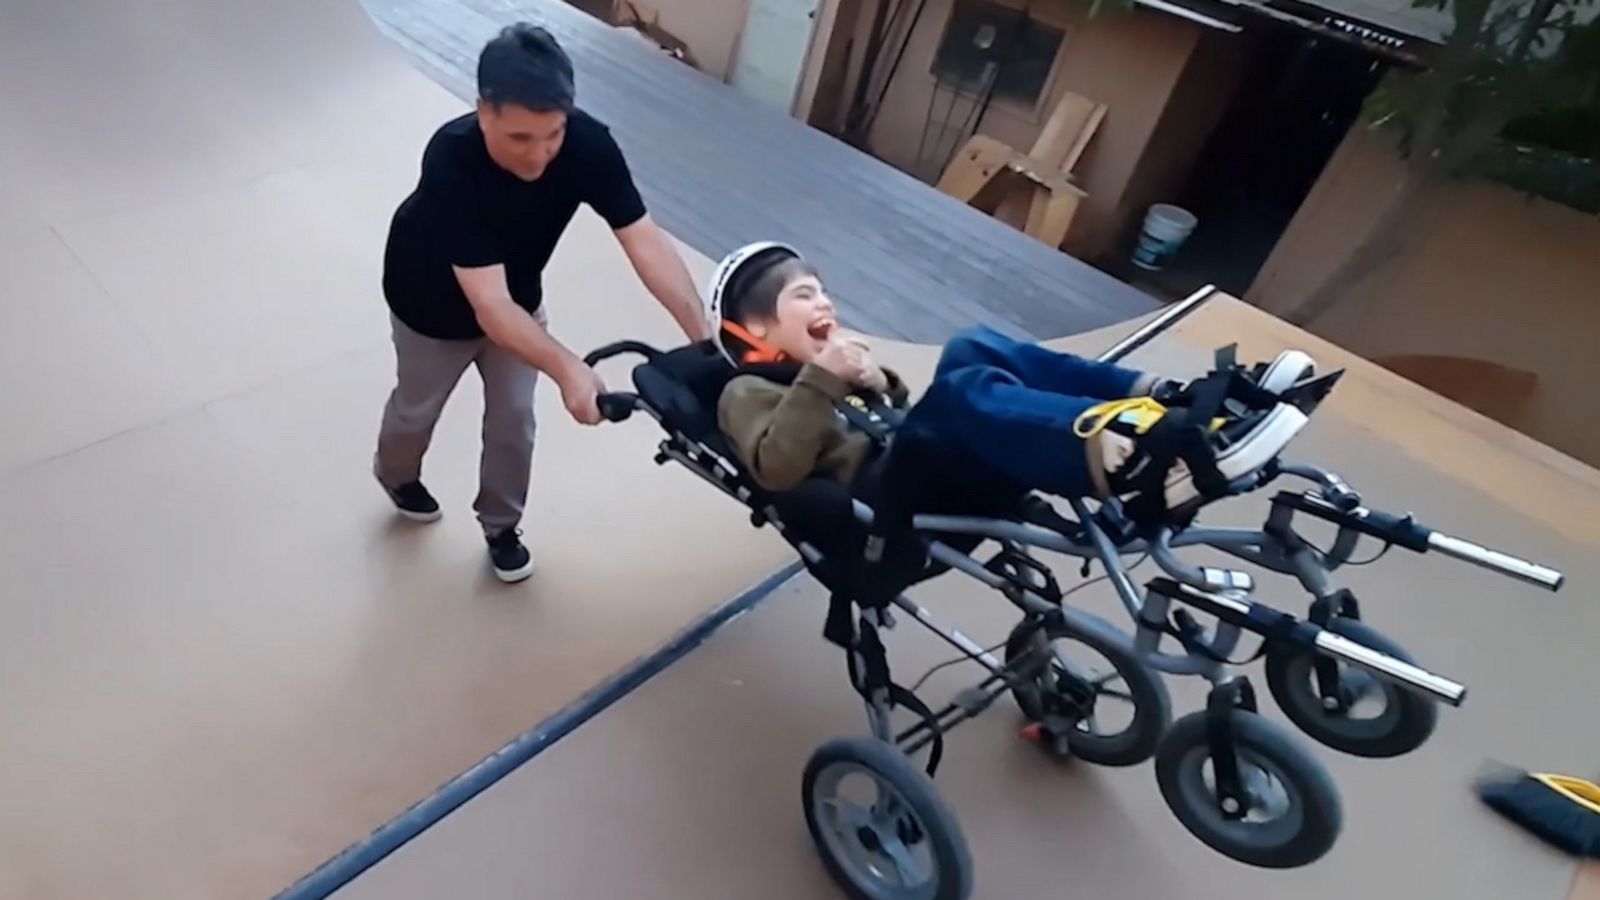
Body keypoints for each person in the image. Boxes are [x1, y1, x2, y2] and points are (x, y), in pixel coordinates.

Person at [373, 23, 709, 582]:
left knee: (514, 419)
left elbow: (644, 239)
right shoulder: (451, 160)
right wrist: (569, 368)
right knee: (416, 410)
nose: (541, 154)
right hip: (430, 305)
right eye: (520, 139)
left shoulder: (586, 144)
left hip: (517, 295)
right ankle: (395, 473)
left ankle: (501, 525)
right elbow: (489, 306)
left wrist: (704, 341)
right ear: (485, 112)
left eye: (551, 134)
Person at [705, 241, 1315, 522]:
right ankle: (1122, 450)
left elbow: (891, 411)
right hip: (885, 491)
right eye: (803, 295)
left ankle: (1176, 402)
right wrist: (819, 382)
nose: (825, 302)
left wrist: (873, 380)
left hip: (919, 458)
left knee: (969, 348)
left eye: (823, 290)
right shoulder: (746, 392)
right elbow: (777, 469)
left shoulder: (833, 372)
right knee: (957, 395)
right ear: (756, 326)